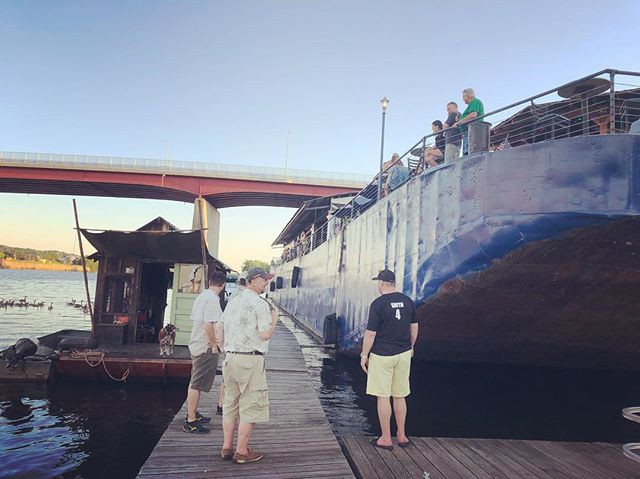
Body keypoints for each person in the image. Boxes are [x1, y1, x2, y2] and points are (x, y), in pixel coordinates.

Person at [219, 267, 279, 464]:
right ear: (254, 280)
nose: (266, 283)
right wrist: (274, 321)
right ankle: (242, 451)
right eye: (264, 280)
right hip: (250, 360)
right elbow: (264, 334)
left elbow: (219, 328)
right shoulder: (260, 304)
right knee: (251, 405)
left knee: (230, 404)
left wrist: (224, 348)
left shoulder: (233, 301)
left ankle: (226, 447)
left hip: (230, 359)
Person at [361, 269, 419, 450]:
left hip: (382, 355)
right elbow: (414, 328)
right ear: (394, 283)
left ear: (381, 283)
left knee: (383, 396)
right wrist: (410, 347)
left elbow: (370, 334)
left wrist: (364, 355)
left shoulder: (378, 304)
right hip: (403, 354)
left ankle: (386, 438)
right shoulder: (408, 301)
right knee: (400, 395)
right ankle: (402, 436)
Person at [183, 269, 226, 434]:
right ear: (222, 285)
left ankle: (193, 413)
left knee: (196, 381)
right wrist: (214, 345)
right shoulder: (213, 300)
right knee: (196, 383)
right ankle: (191, 421)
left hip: (196, 343)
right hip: (204, 347)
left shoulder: (202, 296)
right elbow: (209, 325)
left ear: (209, 282)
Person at [454, 88, 485, 156]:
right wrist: (460, 120)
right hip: (468, 133)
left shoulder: (474, 101)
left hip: (472, 132)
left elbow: (473, 115)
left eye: (463, 97)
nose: (463, 99)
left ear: (467, 95)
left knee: (469, 154)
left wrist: (458, 123)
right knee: (467, 153)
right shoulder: (473, 103)